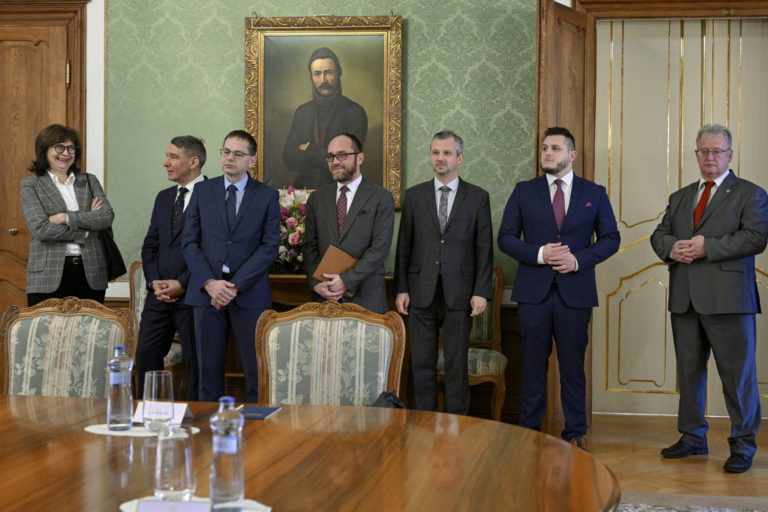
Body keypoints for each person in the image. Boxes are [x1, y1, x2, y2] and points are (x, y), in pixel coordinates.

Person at [650, 123, 768, 473]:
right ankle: (692, 437)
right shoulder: (681, 196)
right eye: (704, 151)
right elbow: (660, 234)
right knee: (688, 374)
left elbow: (756, 238)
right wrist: (672, 248)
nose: (710, 157)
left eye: (717, 151)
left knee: (737, 378)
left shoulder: (750, 194)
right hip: (684, 299)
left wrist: (707, 247)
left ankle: (743, 444)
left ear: (730, 154)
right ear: (696, 154)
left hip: (730, 301)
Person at [497, 127, 619, 449]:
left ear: (572, 155)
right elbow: (505, 238)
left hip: (575, 295)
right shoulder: (524, 191)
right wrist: (540, 254)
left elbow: (611, 239)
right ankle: (530, 434)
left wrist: (578, 260)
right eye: (544, 148)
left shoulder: (594, 193)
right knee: (532, 368)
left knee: (573, 369)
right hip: (533, 295)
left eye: (555, 148)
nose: (547, 153)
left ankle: (575, 433)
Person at [394, 130, 493, 415]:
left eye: (447, 153)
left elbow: (484, 248)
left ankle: (455, 426)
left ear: (459, 158)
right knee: (421, 364)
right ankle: (426, 425)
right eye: (435, 152)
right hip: (420, 292)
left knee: (456, 366)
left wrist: (481, 291)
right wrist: (401, 288)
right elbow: (404, 247)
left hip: (460, 294)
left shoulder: (478, 197)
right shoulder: (414, 196)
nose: (440, 158)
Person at [182, 130, 280, 402]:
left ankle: (256, 426)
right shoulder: (202, 191)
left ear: (252, 160)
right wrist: (210, 283)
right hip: (206, 295)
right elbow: (189, 243)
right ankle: (208, 426)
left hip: (249, 295)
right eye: (226, 152)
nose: (229, 158)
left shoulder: (267, 196)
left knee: (256, 373)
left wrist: (234, 286)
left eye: (238, 154)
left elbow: (269, 247)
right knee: (207, 375)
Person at [136, 136, 206, 401]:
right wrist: (155, 282)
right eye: (167, 156)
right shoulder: (163, 198)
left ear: (193, 161)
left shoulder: (214, 195)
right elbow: (150, 246)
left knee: (198, 366)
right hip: (158, 297)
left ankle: (197, 420)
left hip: (194, 296)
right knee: (145, 358)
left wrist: (182, 284)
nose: (166, 163)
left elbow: (212, 251)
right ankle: (147, 415)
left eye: (173, 157)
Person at [20, 124, 115, 306]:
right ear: (44, 150)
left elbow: (106, 216)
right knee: (46, 325)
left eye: (71, 148)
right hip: (47, 275)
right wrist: (85, 229)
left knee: (89, 325)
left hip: (91, 272)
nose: (66, 153)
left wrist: (65, 218)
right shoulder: (30, 184)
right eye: (59, 147)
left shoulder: (89, 180)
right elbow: (41, 229)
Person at [303, 133, 394, 314]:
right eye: (330, 156)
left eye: (342, 155)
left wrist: (346, 280)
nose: (335, 161)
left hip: (366, 299)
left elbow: (379, 248)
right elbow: (309, 246)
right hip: (325, 298)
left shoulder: (381, 197)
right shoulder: (317, 199)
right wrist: (316, 283)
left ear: (359, 158)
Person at [283, 47, 368, 190]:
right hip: (303, 191)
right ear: (311, 77)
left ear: (339, 73)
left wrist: (309, 149)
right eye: (317, 74)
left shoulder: (355, 112)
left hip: (341, 190)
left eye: (328, 73)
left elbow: (348, 161)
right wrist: (330, 157)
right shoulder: (302, 112)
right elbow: (289, 159)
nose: (323, 80)